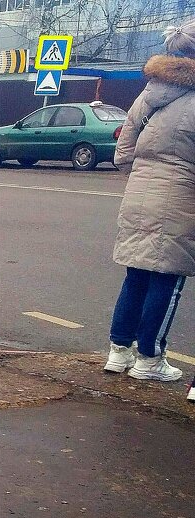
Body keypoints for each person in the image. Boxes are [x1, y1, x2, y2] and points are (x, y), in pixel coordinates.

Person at [103, 19, 195, 397]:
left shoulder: (149, 94)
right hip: (179, 197)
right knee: (167, 280)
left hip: (138, 194)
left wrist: (145, 177)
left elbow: (121, 154)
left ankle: (118, 352)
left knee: (136, 276)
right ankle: (150, 360)